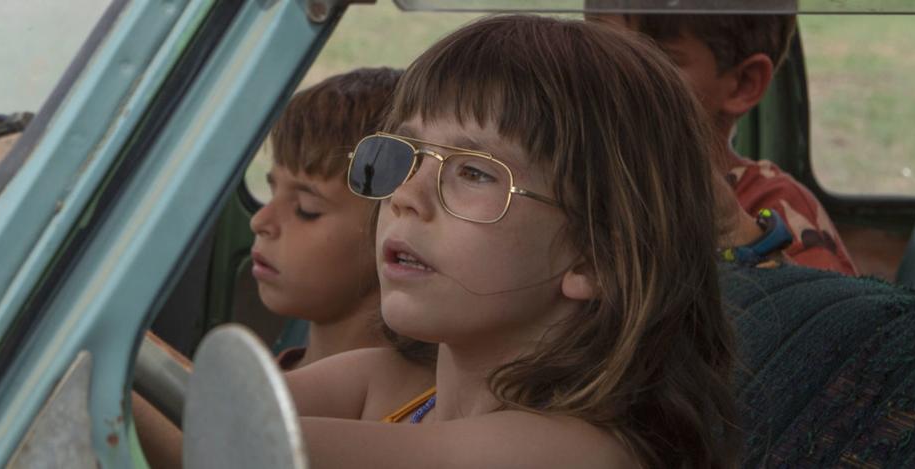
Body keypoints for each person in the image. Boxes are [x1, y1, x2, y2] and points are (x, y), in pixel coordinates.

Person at [141, 15, 739, 468]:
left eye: (474, 172)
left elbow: (237, 445)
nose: (405, 194)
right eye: (403, 154)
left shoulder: (569, 451)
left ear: (597, 256)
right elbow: (190, 412)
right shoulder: (380, 380)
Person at [587, 11, 859, 275]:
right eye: (596, 52)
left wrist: (746, 237)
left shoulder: (776, 211)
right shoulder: (578, 185)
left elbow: (825, 304)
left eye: (652, 60)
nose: (609, 78)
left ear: (743, 84)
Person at [253, 67, 434, 370]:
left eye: (307, 209)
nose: (260, 222)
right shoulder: (277, 375)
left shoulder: (415, 403)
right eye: (273, 192)